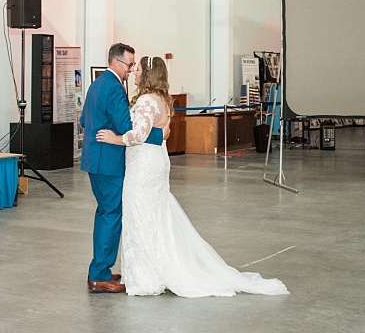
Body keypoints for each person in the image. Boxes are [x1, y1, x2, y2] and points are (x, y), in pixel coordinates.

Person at [97, 56, 289, 298]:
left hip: (143, 167)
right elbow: (157, 132)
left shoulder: (146, 100)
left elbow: (138, 135)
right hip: (155, 163)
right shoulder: (162, 100)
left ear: (148, 74)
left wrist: (113, 139)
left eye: (139, 70)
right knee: (153, 215)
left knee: (140, 214)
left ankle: (146, 274)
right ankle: (155, 268)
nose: (134, 73)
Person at [79, 43, 164, 293]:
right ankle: (99, 275)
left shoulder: (97, 84)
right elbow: (128, 126)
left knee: (105, 212)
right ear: (117, 62)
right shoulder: (115, 88)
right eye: (129, 65)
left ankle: (100, 269)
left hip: (95, 161)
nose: (130, 70)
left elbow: (84, 120)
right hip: (109, 163)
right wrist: (159, 134)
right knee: (111, 215)